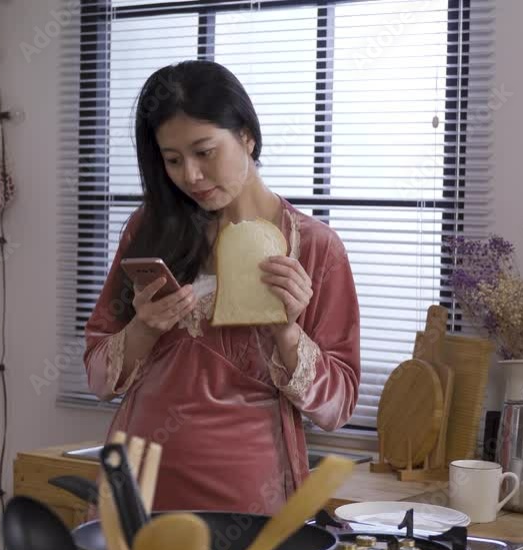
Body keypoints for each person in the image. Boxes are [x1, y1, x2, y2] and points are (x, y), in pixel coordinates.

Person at [83, 60, 360, 515]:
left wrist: (287, 332)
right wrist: (143, 329)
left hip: (249, 496)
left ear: (246, 136)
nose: (190, 175)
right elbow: (98, 377)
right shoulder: (149, 230)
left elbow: (338, 406)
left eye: (205, 152)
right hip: (139, 485)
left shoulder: (316, 248)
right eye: (173, 160)